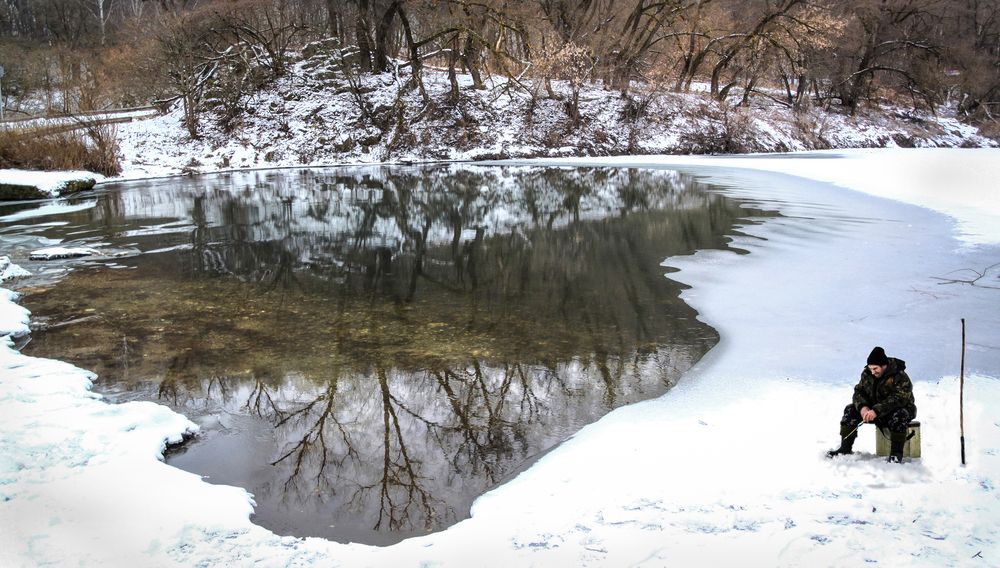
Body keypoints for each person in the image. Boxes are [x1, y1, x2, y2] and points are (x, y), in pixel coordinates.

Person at [826, 346, 917, 463]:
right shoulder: (867, 374)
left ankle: (896, 454)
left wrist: (876, 410)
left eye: (875, 368)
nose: (873, 372)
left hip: (898, 410)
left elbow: (899, 399)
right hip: (872, 411)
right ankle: (845, 448)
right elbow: (858, 392)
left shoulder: (899, 375)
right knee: (850, 409)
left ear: (883, 365)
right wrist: (863, 408)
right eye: (870, 368)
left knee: (899, 415)